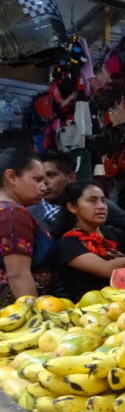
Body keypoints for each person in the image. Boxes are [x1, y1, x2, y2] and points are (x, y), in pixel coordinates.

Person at [55, 182, 125, 302]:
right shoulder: (68, 244)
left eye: (103, 200)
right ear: (72, 207)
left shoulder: (114, 234)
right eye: (92, 200)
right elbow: (106, 269)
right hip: (89, 311)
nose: (101, 206)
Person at [28, 151, 125, 241]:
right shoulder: (29, 214)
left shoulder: (97, 204)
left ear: (71, 177)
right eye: (39, 178)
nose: (44, 182)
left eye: (51, 175)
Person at [0, 131, 55, 305]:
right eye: (37, 179)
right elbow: (18, 275)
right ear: (11, 177)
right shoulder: (13, 214)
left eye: (45, 181)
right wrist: (35, 319)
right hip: (13, 311)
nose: (44, 187)